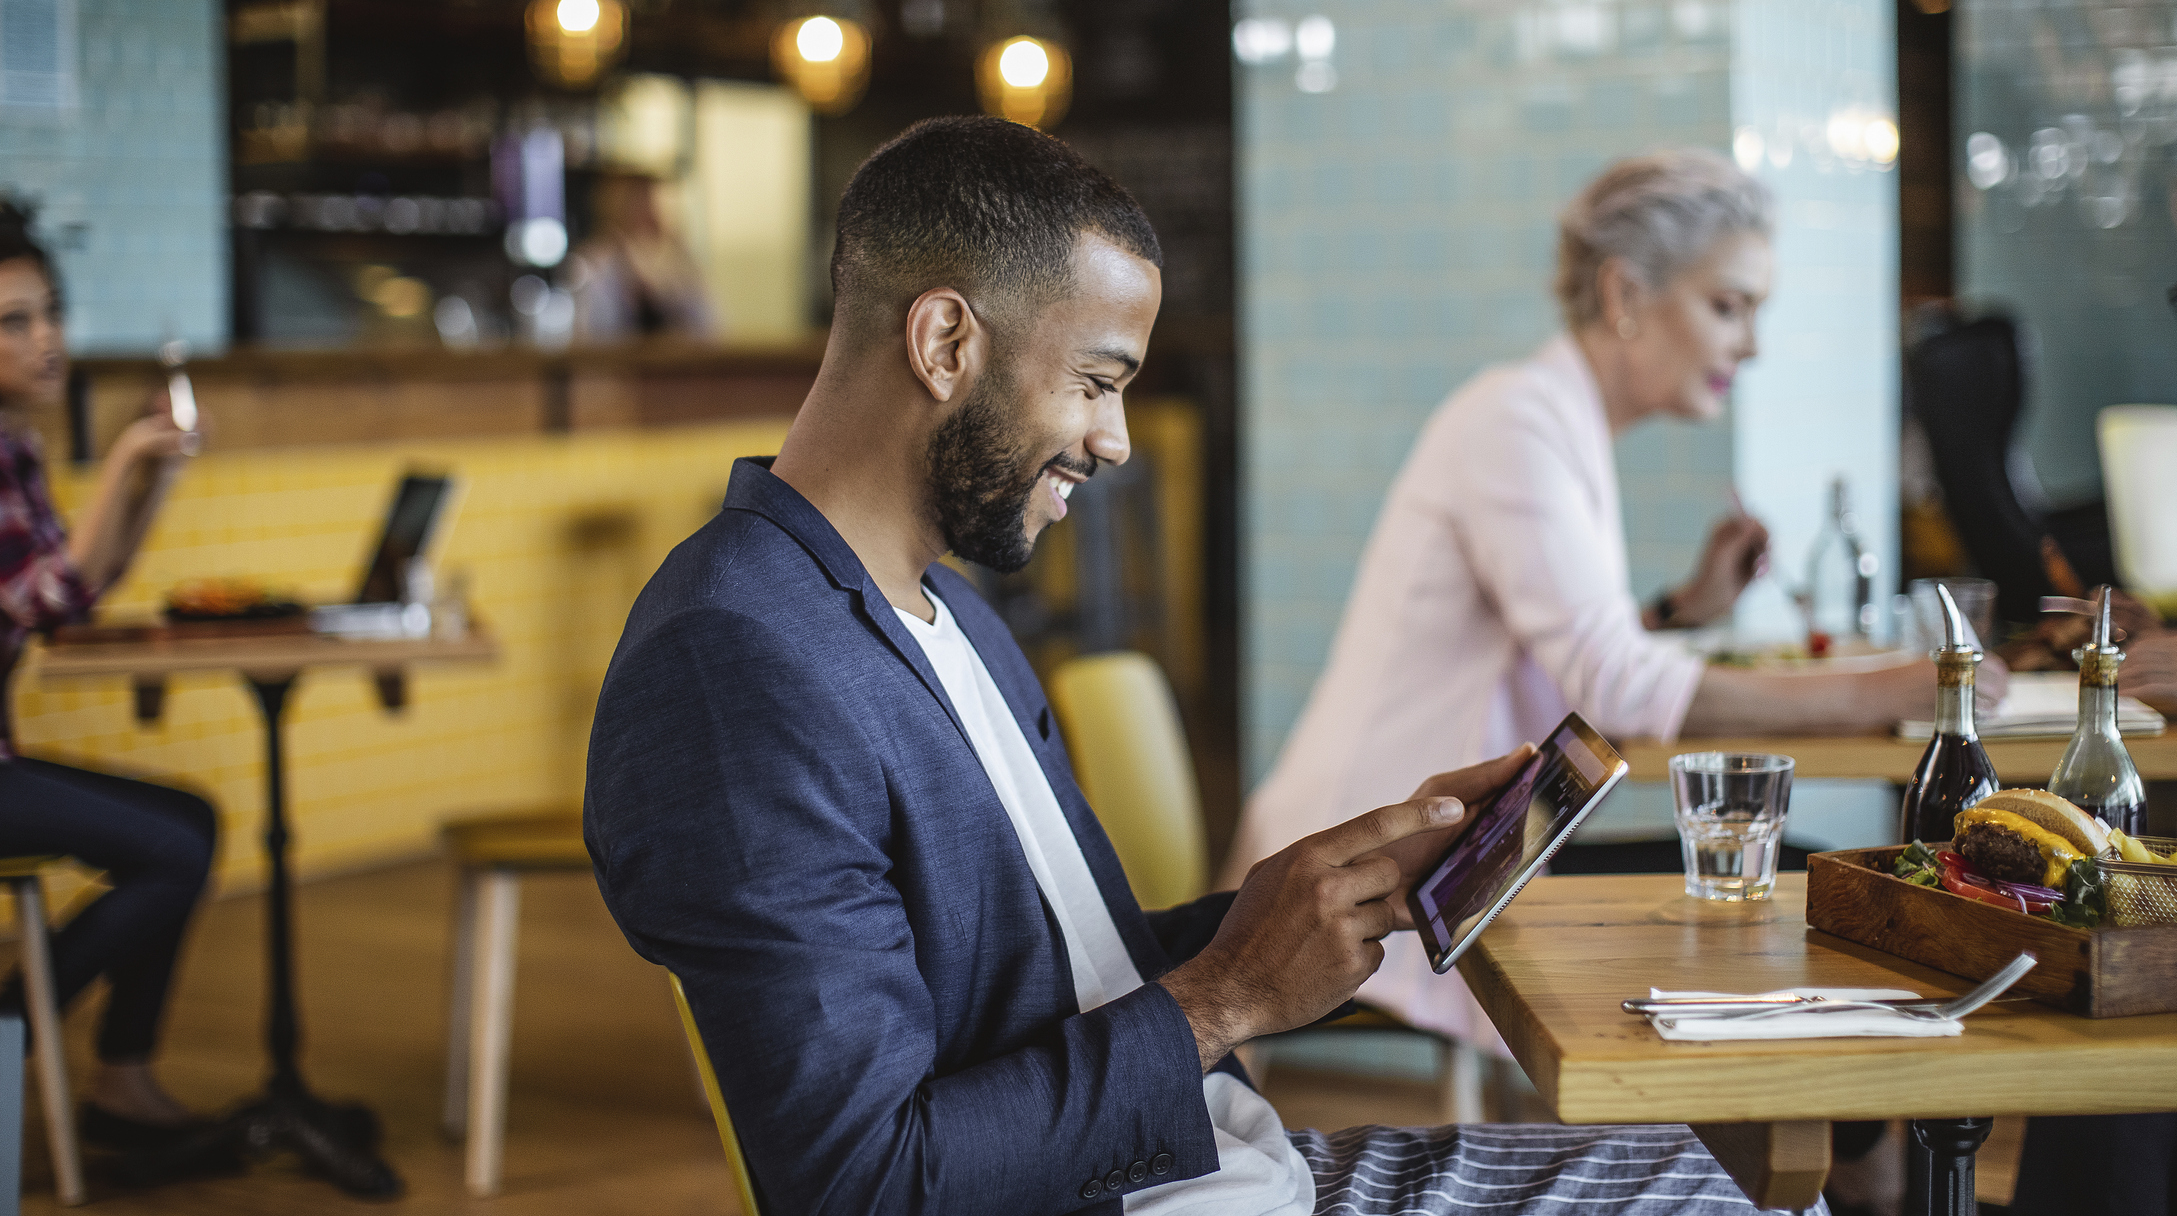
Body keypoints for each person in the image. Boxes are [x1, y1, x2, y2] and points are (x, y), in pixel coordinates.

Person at [585, 120, 1804, 1215]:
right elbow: (863, 1183)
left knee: (1721, 1172)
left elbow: (1045, 976)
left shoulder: (945, 615)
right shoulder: (735, 662)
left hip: (1225, 1170)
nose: (1113, 440)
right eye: (1094, 382)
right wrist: (1227, 994)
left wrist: (1323, 897)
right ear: (945, 340)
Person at [1225, 149, 2008, 1053]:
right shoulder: (1516, 422)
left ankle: (1822, 1167)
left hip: (1454, 848)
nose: (1749, 346)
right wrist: (1899, 687)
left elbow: (1587, 664)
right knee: (1807, 896)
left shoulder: (1553, 419)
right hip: (1381, 869)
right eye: (1728, 306)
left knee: (1801, 891)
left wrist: (1679, 610)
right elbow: (1617, 690)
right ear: (1625, 295)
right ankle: (1830, 1173)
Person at [0, 201, 217, 1149]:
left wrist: (154, 478)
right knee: (176, 846)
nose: (48, 339)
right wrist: (125, 452)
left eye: (51, 312)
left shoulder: (16, 445)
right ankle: (10, 1029)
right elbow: (48, 598)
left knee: (191, 825)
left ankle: (122, 1079)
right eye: (15, 321)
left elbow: (78, 591)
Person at [564, 170, 716, 340]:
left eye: (651, 198)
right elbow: (592, 331)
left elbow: (710, 324)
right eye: (639, 199)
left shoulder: (677, 260)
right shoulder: (595, 261)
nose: (650, 208)